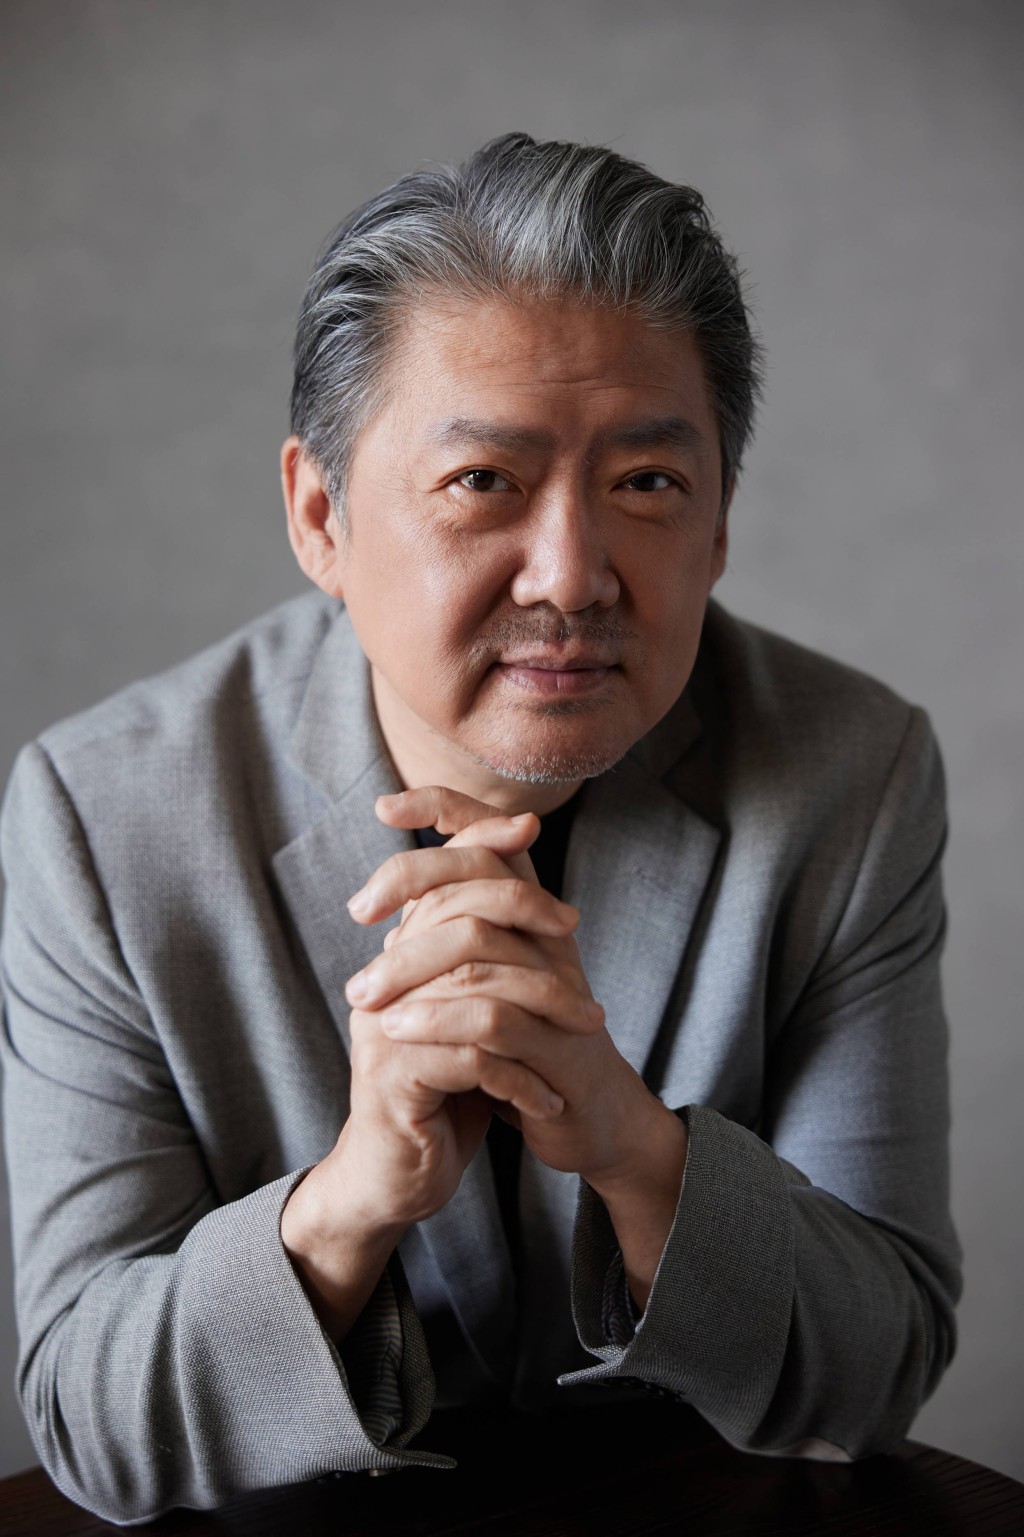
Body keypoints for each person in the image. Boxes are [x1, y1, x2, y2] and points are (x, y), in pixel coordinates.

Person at [0, 133, 960, 1523]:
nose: (571, 577)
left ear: (720, 525)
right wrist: (351, 1199)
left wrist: (635, 1146)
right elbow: (92, 1426)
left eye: (646, 483)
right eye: (482, 482)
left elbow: (876, 1374)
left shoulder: (850, 773)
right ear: (320, 516)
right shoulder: (105, 816)